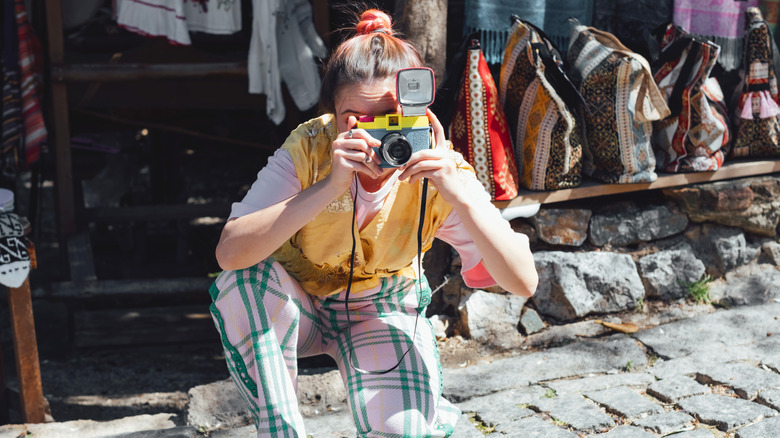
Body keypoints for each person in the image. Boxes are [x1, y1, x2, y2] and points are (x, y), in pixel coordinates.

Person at [210, 9, 538, 438]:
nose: (375, 137)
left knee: (402, 430)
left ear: (415, 112)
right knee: (244, 286)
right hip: (300, 307)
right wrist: (329, 186)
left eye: (388, 118)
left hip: (381, 311)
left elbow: (523, 281)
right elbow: (230, 253)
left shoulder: (440, 167)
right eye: (355, 120)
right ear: (335, 116)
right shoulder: (312, 147)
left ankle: (427, 413)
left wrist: (459, 194)